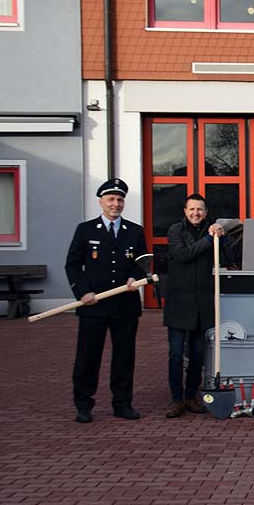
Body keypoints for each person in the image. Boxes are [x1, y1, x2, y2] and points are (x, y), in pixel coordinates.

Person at [65, 178, 148, 423]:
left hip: (124, 306)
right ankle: (83, 405)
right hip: (94, 305)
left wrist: (136, 276)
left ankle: (122, 404)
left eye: (120, 199)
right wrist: (82, 292)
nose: (116, 204)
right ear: (101, 202)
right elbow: (73, 265)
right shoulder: (85, 230)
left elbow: (143, 262)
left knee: (124, 357)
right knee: (88, 357)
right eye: (111, 199)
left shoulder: (134, 231)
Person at [163, 193, 234, 418]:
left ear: (206, 212)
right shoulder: (176, 231)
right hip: (179, 303)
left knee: (197, 354)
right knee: (176, 354)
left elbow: (230, 257)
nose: (196, 213)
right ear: (185, 211)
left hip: (202, 303)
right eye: (192, 209)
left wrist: (222, 238)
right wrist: (207, 240)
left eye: (200, 209)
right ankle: (176, 399)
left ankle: (190, 396)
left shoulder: (211, 231)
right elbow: (183, 255)